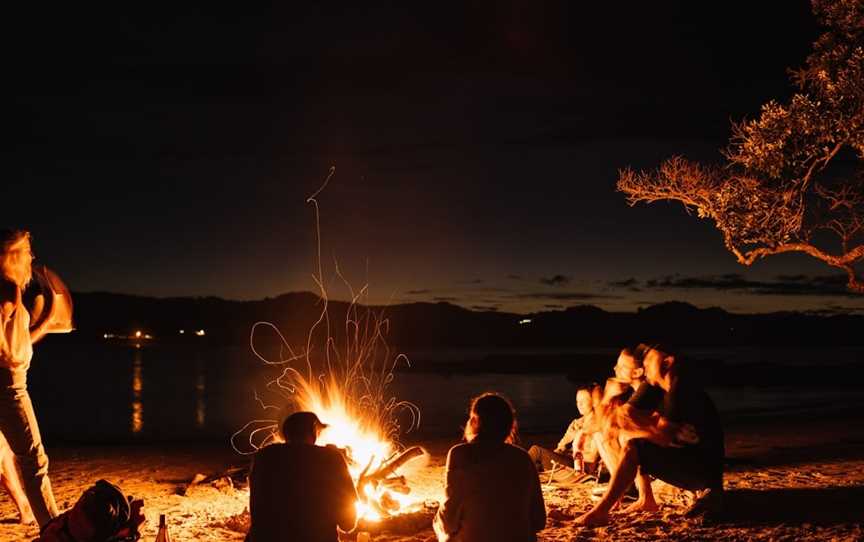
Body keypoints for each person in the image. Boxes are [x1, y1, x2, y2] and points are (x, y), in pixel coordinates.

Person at [575, 345, 725, 526]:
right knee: (627, 437)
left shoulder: (680, 390)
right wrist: (611, 402)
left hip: (702, 474)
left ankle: (603, 509)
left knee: (633, 443)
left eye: (649, 359)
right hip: (683, 459)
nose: (645, 363)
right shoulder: (652, 386)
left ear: (667, 362)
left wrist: (650, 428)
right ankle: (638, 497)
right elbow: (618, 421)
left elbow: (660, 436)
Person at [0, 229, 59, 527]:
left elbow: (14, 344)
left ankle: (27, 512)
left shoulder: (10, 290)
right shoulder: (9, 289)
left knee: (4, 456)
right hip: (9, 388)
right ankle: (53, 527)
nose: (31, 257)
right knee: (34, 461)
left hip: (8, 379)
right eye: (26, 251)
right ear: (12, 255)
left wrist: (45, 324)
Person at [434, 392, 546, 542]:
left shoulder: (459, 454)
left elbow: (448, 523)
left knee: (441, 528)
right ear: (508, 425)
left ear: (474, 421)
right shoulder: (522, 457)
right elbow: (539, 521)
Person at [246, 411, 357, 542]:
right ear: (314, 429)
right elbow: (348, 523)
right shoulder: (330, 457)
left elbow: (256, 509)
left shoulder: (264, 456)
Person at [528, 387, 600, 477]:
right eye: (577, 401)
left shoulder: (598, 425)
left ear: (593, 402)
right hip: (567, 461)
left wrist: (574, 451)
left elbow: (592, 458)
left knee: (536, 451)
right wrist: (554, 454)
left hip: (582, 467)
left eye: (583, 400)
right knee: (536, 464)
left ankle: (511, 474)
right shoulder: (576, 423)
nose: (579, 404)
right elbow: (560, 447)